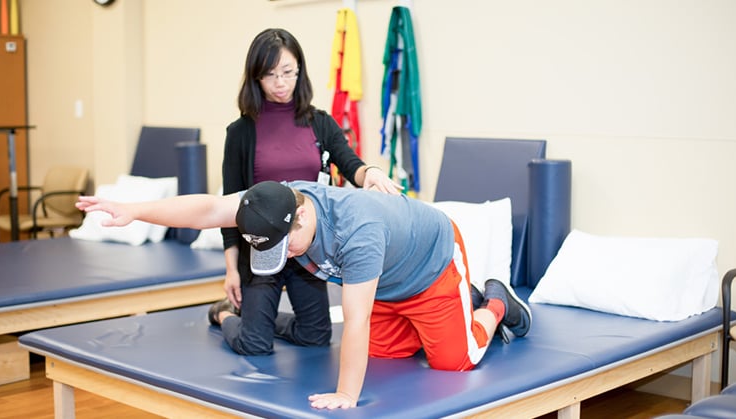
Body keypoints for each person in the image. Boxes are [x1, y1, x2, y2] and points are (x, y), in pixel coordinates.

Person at [76, 180, 532, 411]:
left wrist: (346, 394)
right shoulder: (271, 203)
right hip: (385, 285)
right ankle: (461, 302)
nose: (288, 255)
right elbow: (212, 208)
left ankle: (493, 302)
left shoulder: (358, 232)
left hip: (430, 266)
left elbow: (354, 320)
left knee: (453, 360)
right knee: (390, 355)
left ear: (300, 217)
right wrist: (132, 210)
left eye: (287, 247)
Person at [217, 28, 400, 356]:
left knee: (315, 336)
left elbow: (350, 164)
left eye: (288, 73)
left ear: (300, 71)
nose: (280, 83)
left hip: (308, 250)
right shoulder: (241, 132)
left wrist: (370, 172)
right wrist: (232, 270)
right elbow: (231, 206)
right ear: (255, 78)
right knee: (254, 344)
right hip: (262, 252)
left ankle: (258, 319)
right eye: (270, 75)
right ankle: (225, 315)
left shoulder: (320, 122)